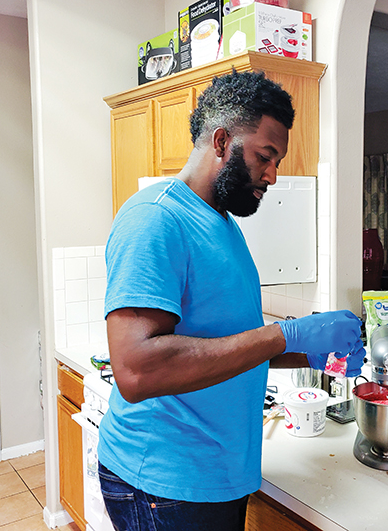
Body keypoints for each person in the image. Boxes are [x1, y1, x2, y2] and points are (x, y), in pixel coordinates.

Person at [97, 70, 365, 531]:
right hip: (164, 483)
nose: (273, 176)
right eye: (266, 156)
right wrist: (285, 333)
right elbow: (137, 370)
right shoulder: (155, 219)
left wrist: (308, 351)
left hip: (216, 474)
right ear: (222, 141)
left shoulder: (222, 224)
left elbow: (223, 342)